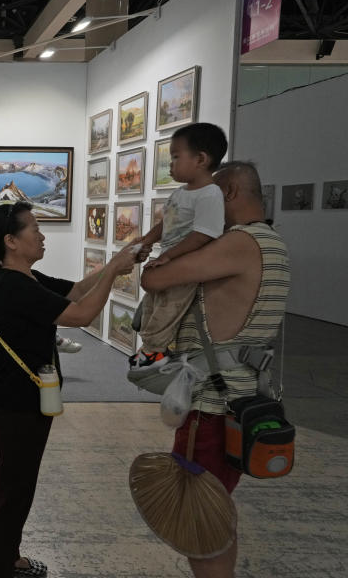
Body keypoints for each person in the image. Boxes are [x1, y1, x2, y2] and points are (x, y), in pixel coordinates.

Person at [139, 161, 290, 578]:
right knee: (215, 509)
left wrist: (166, 238)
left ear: (228, 194)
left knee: (198, 521)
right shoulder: (270, 241)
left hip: (212, 404)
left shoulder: (239, 243)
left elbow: (155, 280)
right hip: (238, 397)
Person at [0, 202, 136, 578]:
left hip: (25, 400)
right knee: (12, 491)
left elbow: (78, 291)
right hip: (14, 403)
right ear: (11, 241)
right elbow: (80, 316)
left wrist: (117, 259)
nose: (42, 235)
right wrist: (114, 271)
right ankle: (1, 568)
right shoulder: (11, 285)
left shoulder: (27, 278)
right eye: (34, 228)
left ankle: (9, 557)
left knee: (19, 487)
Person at [130, 123, 227, 368]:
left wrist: (170, 257)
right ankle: (149, 347)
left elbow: (203, 234)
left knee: (168, 308)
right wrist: (146, 241)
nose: (170, 165)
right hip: (169, 259)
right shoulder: (180, 194)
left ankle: (155, 351)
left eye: (175, 157)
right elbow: (166, 224)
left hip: (185, 265)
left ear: (201, 159)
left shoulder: (210, 194)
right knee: (153, 302)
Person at [0, 269, 82, 354]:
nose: (42, 241)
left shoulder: (21, 277)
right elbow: (82, 316)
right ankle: (57, 341)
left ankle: (56, 340)